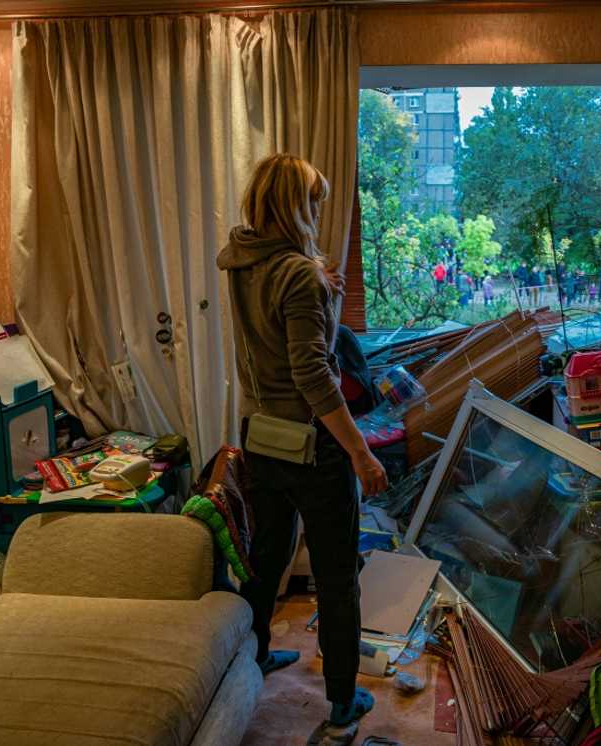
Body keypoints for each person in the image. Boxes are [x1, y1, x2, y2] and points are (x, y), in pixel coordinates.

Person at [217, 154, 388, 729]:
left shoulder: (241, 262)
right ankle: (343, 698)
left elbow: (271, 346)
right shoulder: (298, 273)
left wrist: (325, 296)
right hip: (312, 446)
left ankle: (258, 652)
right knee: (338, 574)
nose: (320, 208)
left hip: (260, 437)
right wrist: (360, 452)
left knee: (266, 557)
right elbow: (313, 373)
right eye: (315, 199)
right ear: (298, 205)